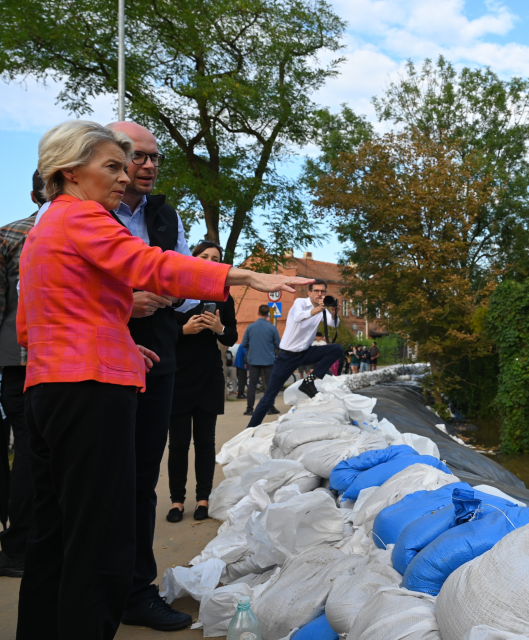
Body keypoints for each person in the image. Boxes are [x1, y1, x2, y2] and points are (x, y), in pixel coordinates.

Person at [15, 119, 312, 640]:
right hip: (91, 392)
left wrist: (116, 336)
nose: (124, 178)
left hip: (50, 388)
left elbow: (36, 321)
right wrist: (244, 276)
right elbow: (149, 264)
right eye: (111, 166)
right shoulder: (83, 218)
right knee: (101, 537)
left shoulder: (45, 229)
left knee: (56, 533)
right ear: (69, 171)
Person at [166, 241, 238, 524]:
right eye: (204, 256)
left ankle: (203, 498)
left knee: (206, 442)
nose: (210, 260)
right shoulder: (175, 292)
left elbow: (230, 337)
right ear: (192, 259)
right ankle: (176, 500)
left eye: (215, 258)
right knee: (178, 443)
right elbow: (158, 333)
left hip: (209, 376)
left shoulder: (223, 296)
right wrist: (183, 330)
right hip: (178, 377)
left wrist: (219, 328)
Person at [0, 171, 43, 578]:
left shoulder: (11, 234)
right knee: (32, 453)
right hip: (24, 364)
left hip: (37, 362)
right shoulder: (12, 235)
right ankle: (18, 548)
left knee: (37, 453)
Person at [247, 280, 343, 428]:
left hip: (305, 352)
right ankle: (250, 429)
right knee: (269, 395)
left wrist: (335, 312)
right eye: (316, 291)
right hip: (287, 356)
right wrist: (318, 310)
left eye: (322, 291)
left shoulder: (323, 308)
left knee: (337, 349)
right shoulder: (300, 303)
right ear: (310, 293)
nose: (320, 294)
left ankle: (309, 381)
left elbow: (334, 324)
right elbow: (299, 317)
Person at [241, 305, 281, 417]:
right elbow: (278, 344)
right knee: (269, 385)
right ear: (268, 314)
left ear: (258, 312)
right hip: (269, 360)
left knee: (252, 385)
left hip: (253, 360)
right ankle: (270, 407)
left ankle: (249, 409)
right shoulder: (272, 328)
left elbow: (244, 344)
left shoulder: (250, 327)